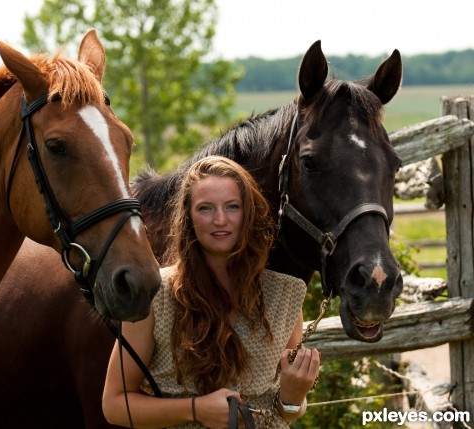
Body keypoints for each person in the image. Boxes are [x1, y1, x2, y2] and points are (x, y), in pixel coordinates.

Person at [102, 156, 319, 428]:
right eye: (205, 208)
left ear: (248, 213)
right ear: (188, 217)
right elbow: (115, 404)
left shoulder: (285, 295)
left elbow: (285, 411)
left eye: (232, 207)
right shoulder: (156, 296)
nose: (220, 220)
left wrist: (294, 396)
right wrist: (196, 409)